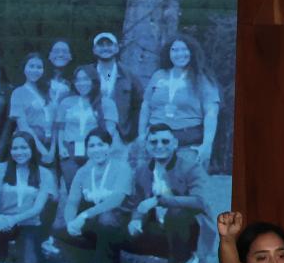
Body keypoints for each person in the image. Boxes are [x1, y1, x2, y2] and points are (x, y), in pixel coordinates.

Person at [123, 124, 209, 263]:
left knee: (176, 212)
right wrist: (135, 219)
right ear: (147, 146)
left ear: (175, 144)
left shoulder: (191, 167)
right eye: (154, 142)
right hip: (159, 226)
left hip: (189, 229)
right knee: (119, 223)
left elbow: (200, 201)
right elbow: (137, 202)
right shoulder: (142, 170)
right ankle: (172, 255)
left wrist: (159, 200)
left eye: (165, 141)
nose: (159, 146)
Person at [45, 129, 130, 263]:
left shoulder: (122, 168)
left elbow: (117, 200)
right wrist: (70, 222)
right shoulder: (83, 172)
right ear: (87, 150)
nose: (96, 150)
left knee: (106, 219)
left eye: (101, 144)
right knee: (59, 230)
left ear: (109, 146)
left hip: (118, 220)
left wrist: (84, 216)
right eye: (92, 146)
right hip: (94, 219)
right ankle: (85, 259)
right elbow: (72, 202)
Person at [137, 34, 220, 164]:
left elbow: (211, 113)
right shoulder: (158, 75)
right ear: (168, 53)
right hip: (156, 140)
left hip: (187, 142)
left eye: (184, 49)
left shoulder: (202, 80)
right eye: (174, 50)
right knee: (154, 182)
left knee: (184, 182)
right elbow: (146, 105)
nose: (179, 54)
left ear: (192, 52)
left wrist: (207, 144)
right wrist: (141, 134)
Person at [0, 133, 56, 263]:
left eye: (24, 148)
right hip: (3, 223)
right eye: (15, 148)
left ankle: (36, 246)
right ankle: (2, 254)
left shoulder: (45, 173)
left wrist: (13, 220)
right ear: (10, 150)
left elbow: (37, 209)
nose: (19, 152)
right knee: (0, 240)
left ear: (32, 149)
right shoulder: (1, 169)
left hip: (29, 223)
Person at [50, 65, 120, 187]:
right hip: (70, 149)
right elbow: (60, 128)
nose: (81, 83)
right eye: (78, 80)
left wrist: (100, 150)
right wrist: (61, 147)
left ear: (94, 80)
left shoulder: (106, 103)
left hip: (94, 149)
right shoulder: (66, 102)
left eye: (86, 79)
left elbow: (110, 131)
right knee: (72, 186)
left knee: (93, 186)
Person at [78, 31, 140, 144]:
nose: (105, 48)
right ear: (94, 50)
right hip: (90, 134)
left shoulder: (129, 75)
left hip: (120, 136)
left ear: (116, 48)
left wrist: (132, 133)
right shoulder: (86, 74)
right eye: (101, 45)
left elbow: (138, 105)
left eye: (109, 45)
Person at [7, 53, 55, 163]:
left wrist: (52, 150)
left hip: (49, 144)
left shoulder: (48, 91)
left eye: (39, 67)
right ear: (24, 68)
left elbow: (54, 124)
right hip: (29, 145)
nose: (35, 70)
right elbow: (23, 127)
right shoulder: (18, 93)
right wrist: (43, 151)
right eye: (31, 66)